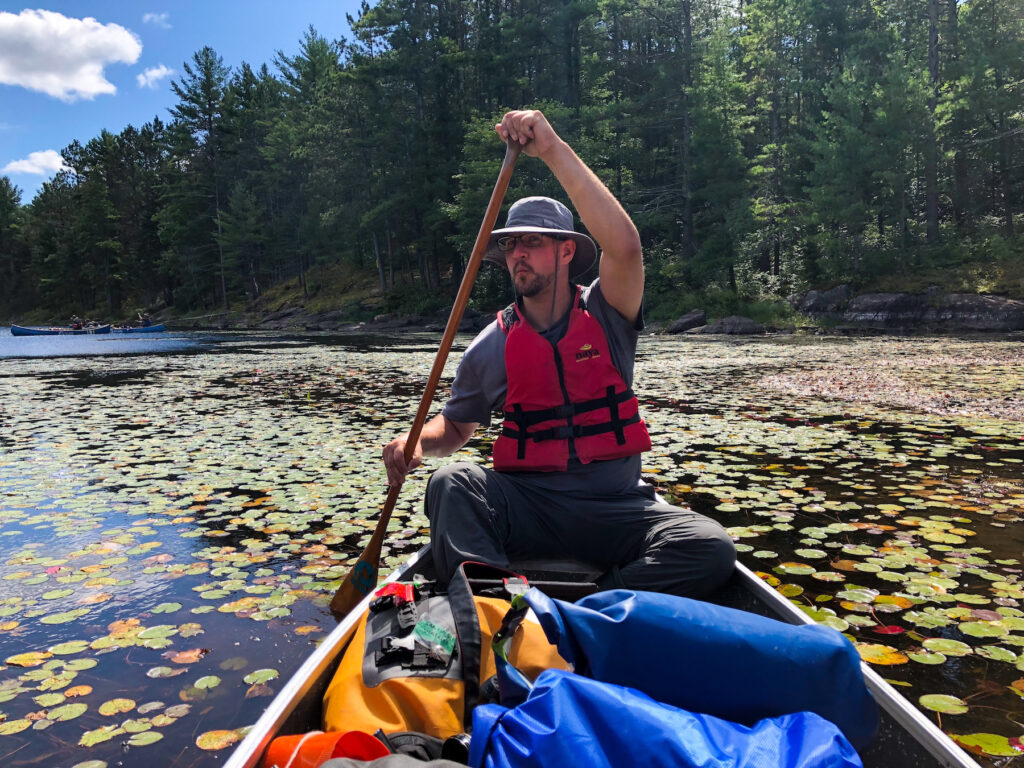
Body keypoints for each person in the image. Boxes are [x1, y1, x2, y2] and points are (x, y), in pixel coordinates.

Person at [382, 110, 735, 598]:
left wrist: (550, 149)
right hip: (529, 506)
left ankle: (593, 607)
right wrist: (416, 440)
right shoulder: (496, 341)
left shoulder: (608, 310)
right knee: (451, 484)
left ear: (567, 251)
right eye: (510, 246)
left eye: (532, 242)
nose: (517, 254)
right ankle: (491, 604)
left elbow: (626, 247)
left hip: (615, 508)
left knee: (708, 544)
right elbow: (458, 426)